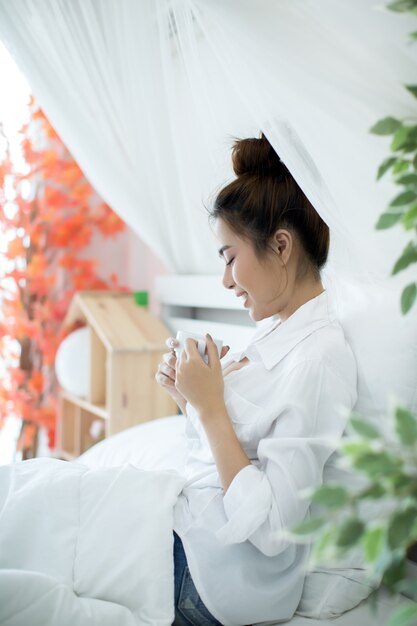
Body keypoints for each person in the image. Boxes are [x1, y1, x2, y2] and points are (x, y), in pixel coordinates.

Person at [155, 133, 357, 626]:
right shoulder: (276, 333)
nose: (225, 280)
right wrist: (191, 398)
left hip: (212, 580)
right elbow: (235, 450)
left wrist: (210, 408)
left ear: (281, 245)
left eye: (228, 256)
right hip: (193, 540)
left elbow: (270, 526)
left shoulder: (318, 360)